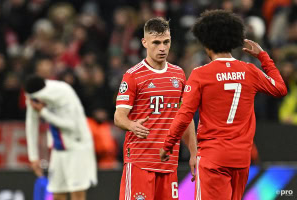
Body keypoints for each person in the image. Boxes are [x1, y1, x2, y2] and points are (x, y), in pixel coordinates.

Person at [160, 10, 287, 200]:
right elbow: (280, 88)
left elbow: (184, 114)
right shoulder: (249, 71)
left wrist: (168, 144)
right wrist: (263, 57)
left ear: (206, 43)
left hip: (213, 159)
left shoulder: (200, 74)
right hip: (241, 160)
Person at [114, 17, 197, 200]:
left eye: (166, 42)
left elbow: (185, 117)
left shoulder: (179, 74)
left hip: (168, 165)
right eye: (156, 43)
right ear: (144, 42)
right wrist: (132, 125)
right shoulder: (133, 76)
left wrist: (194, 153)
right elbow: (119, 116)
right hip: (139, 163)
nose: (162, 48)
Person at [24, 75, 97, 200]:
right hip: (58, 150)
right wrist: (33, 157)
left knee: (77, 194)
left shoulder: (63, 92)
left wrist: (44, 112)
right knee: (57, 194)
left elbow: (71, 125)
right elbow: (31, 123)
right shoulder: (33, 96)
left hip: (77, 147)